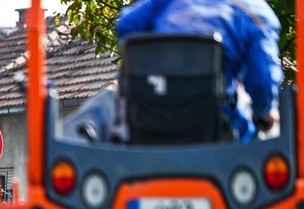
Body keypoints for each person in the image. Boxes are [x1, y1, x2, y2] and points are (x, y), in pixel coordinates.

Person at [115, 0, 283, 142]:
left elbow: (125, 26)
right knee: (263, 135)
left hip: (146, 119)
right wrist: (264, 111)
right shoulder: (256, 13)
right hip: (212, 127)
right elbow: (262, 81)